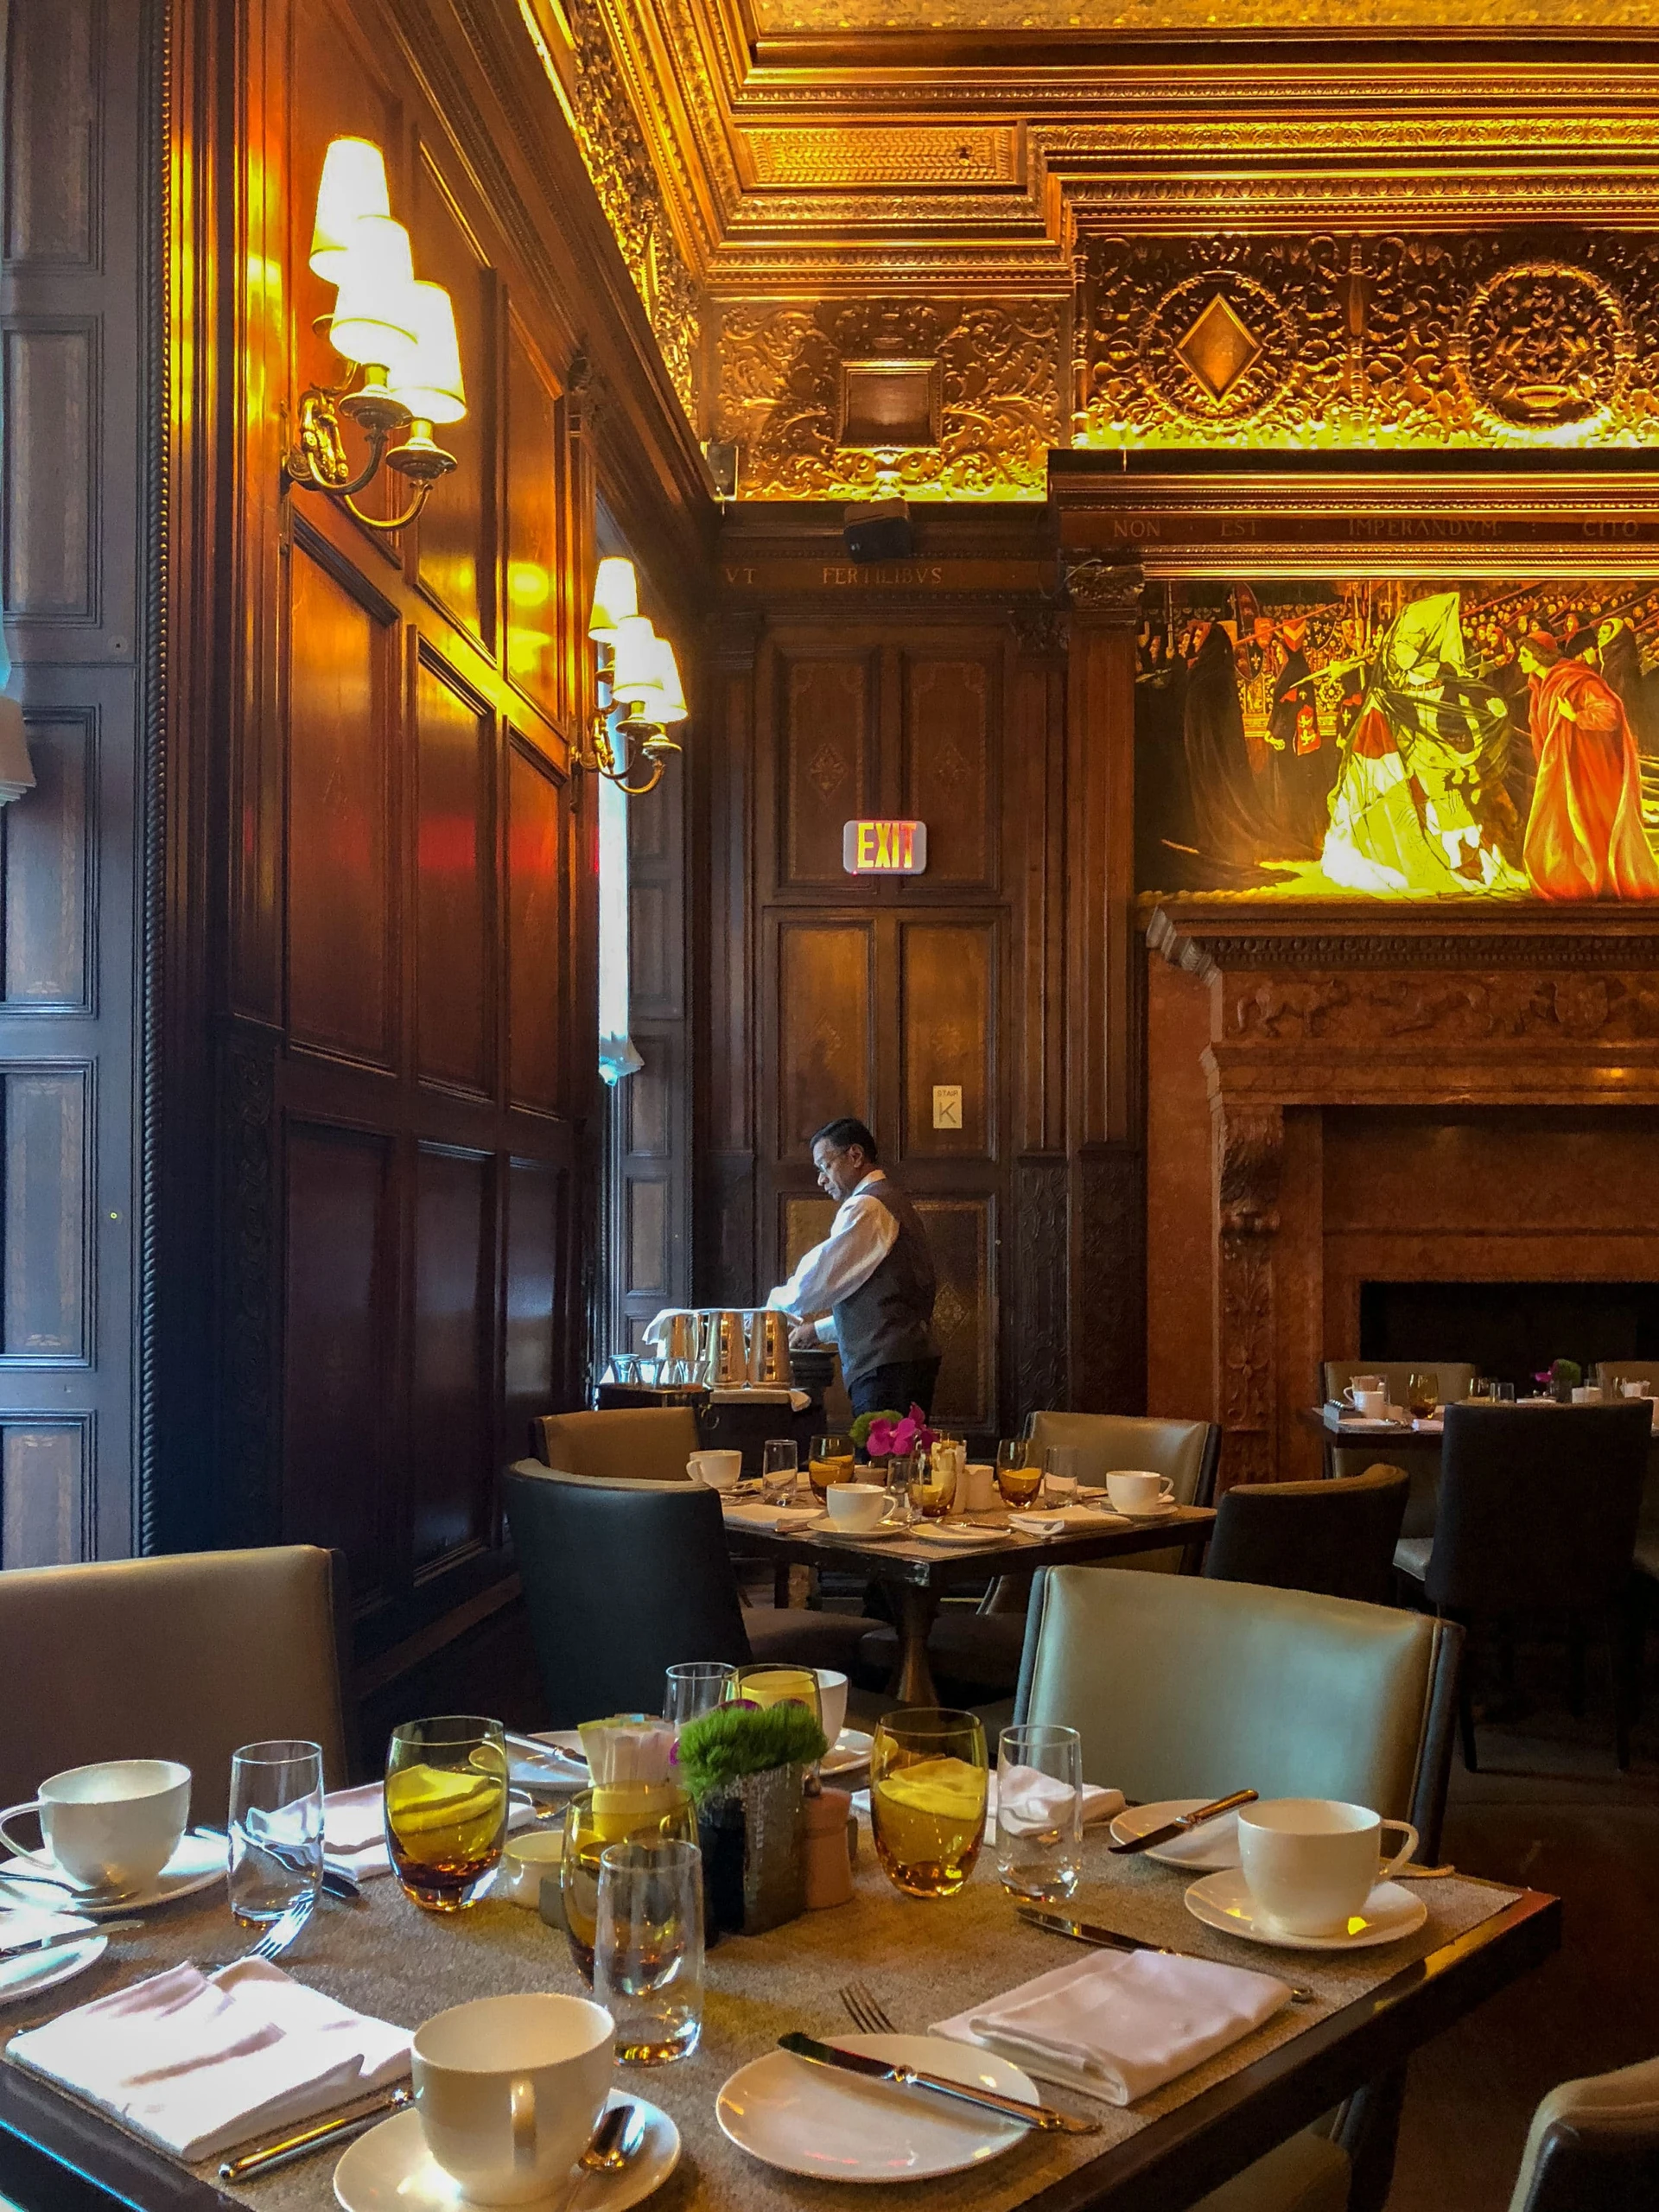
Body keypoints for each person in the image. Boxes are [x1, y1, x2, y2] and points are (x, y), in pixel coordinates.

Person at [766, 1117, 940, 1419]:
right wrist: (817, 1331)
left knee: (879, 1465)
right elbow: (883, 1302)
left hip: (887, 1369)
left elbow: (819, 1278)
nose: (821, 1179)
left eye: (825, 1166)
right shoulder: (887, 1200)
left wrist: (768, 1313)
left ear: (855, 1156)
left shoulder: (868, 1206)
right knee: (897, 1462)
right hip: (903, 1360)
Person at [1518, 630, 1659, 899]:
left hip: (1588, 769)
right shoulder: (1539, 685)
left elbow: (1610, 715)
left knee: (1590, 825)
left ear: (1539, 655)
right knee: (1564, 828)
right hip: (1563, 769)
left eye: (1524, 655)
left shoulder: (1576, 680)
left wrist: (1576, 716)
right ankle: (1573, 884)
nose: (1520, 660)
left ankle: (1601, 884)